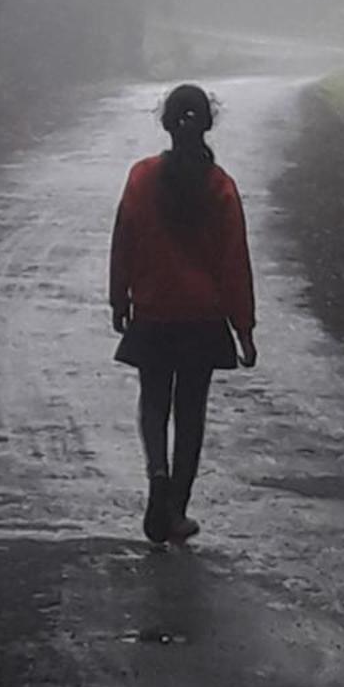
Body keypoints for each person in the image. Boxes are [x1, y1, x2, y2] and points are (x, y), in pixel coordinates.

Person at [108, 84, 257, 544]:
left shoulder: (141, 178)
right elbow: (234, 263)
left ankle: (156, 474)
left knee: (153, 402)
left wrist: (120, 300)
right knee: (190, 412)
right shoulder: (220, 188)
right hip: (202, 320)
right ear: (206, 125)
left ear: (167, 123)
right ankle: (176, 509)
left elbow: (124, 241)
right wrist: (244, 329)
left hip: (153, 312)